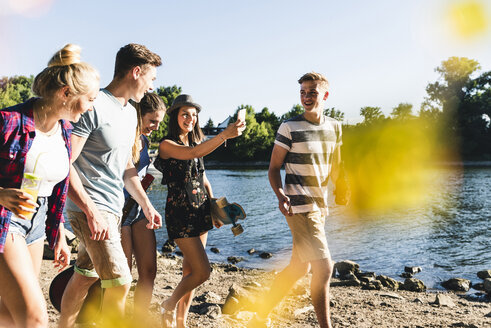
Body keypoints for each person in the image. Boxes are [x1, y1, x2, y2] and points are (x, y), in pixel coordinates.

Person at [58, 43, 163, 328]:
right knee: (120, 282)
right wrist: (92, 212)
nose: (152, 86)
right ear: (136, 71)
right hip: (90, 210)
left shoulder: (131, 113)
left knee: (85, 276)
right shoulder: (94, 105)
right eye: (151, 79)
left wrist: (146, 203)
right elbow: (64, 163)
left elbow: (127, 168)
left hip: (112, 211)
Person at [0, 44, 99, 328]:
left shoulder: (65, 131)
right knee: (35, 317)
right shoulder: (8, 122)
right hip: (5, 221)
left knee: (9, 312)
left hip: (37, 221)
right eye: (89, 99)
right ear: (66, 93)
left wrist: (57, 235)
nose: (91, 107)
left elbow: (57, 186)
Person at [248, 72, 342, 328]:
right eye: (302, 92)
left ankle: (259, 316)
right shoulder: (289, 127)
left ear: (325, 95)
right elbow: (273, 168)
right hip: (299, 206)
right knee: (324, 267)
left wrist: (342, 185)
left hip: (320, 207)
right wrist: (280, 195)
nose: (306, 97)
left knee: (299, 269)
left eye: (312, 92)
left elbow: (335, 164)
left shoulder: (335, 127)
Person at [157, 94, 245, 328]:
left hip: (201, 213)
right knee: (202, 271)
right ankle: (168, 304)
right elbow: (192, 155)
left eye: (194, 115)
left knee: (190, 273)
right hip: (180, 215)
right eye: (185, 113)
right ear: (175, 116)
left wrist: (215, 209)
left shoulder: (196, 144)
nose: (190, 119)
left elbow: (204, 179)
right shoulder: (167, 145)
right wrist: (225, 134)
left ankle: (181, 322)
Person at [120, 92, 165, 322]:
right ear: (139, 115)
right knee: (122, 276)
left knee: (148, 271)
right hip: (121, 211)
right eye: (152, 121)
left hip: (139, 209)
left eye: (159, 122)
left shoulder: (145, 141)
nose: (156, 127)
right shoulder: (123, 137)